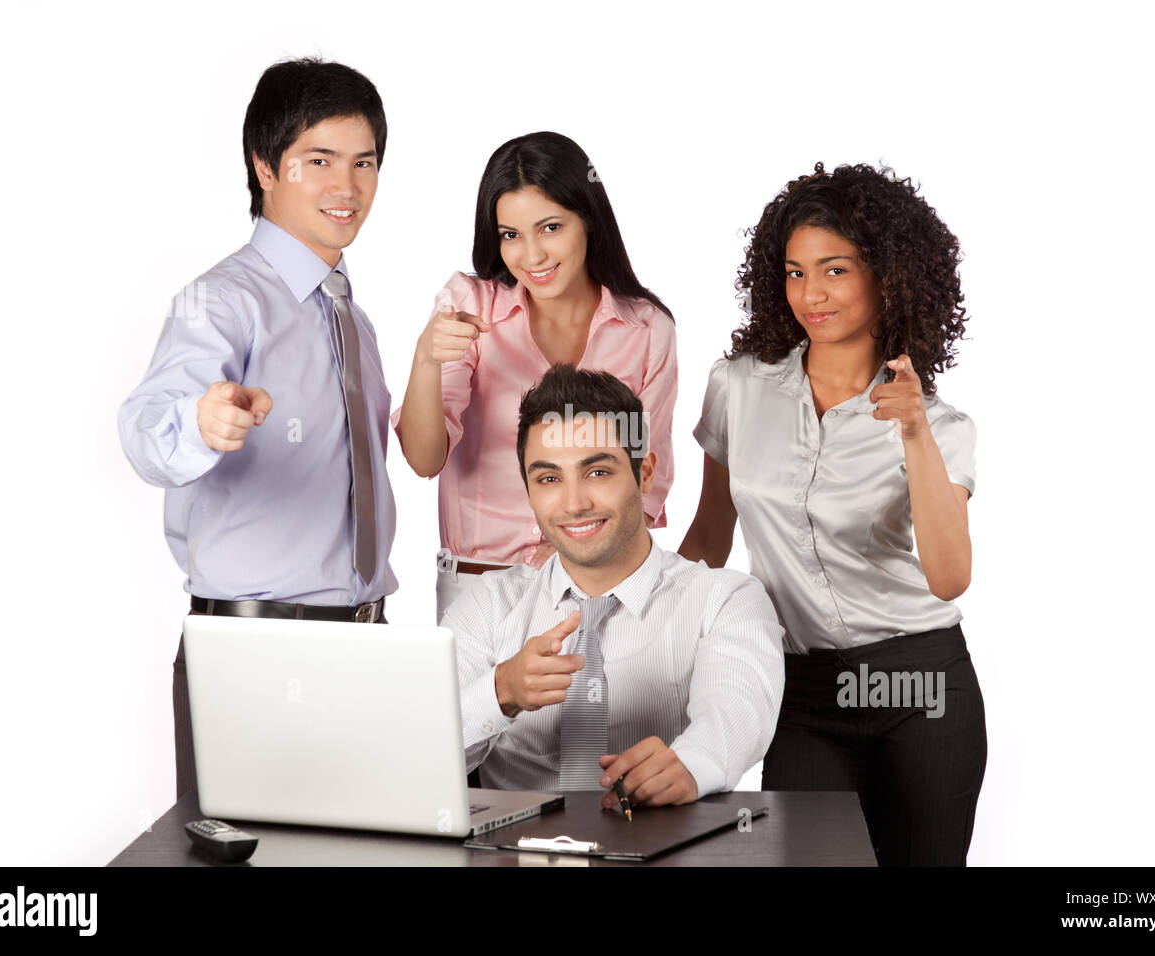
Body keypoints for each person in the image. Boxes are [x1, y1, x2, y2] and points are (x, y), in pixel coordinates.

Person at [678, 162, 987, 865]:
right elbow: (709, 536)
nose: (810, 295)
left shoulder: (942, 424)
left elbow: (949, 577)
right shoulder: (737, 387)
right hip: (804, 692)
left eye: (835, 270)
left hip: (923, 688)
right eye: (793, 272)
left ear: (888, 275)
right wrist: (634, 612)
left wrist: (913, 434)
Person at [118, 57, 398, 799]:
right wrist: (200, 421)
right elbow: (147, 425)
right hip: (255, 651)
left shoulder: (354, 320)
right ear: (265, 167)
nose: (347, 187)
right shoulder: (221, 302)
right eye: (319, 161)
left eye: (364, 162)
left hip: (367, 643)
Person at [445, 365, 784, 805]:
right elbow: (415, 753)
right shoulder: (487, 607)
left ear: (645, 474)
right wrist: (500, 692)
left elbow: (737, 712)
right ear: (528, 490)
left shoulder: (724, 601)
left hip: (661, 849)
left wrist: (690, 766)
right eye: (549, 479)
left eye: (598, 472)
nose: (574, 503)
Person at [391, 132, 678, 622]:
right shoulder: (469, 307)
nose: (532, 255)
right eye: (510, 235)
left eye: (550, 227)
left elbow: (645, 482)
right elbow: (423, 459)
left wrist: (573, 552)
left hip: (596, 586)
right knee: (474, 702)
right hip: (477, 590)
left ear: (587, 218)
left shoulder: (646, 328)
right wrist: (426, 360)